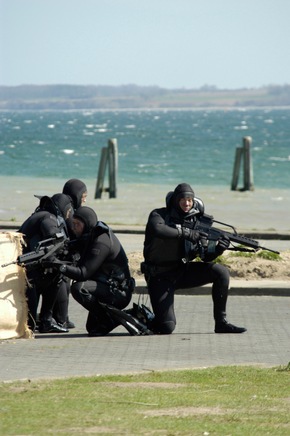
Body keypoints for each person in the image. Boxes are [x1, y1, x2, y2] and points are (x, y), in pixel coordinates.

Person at [142, 183, 247, 335]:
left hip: (181, 271)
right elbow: (159, 230)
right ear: (175, 200)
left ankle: (221, 323)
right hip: (159, 276)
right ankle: (140, 316)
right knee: (166, 327)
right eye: (183, 199)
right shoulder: (158, 215)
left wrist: (218, 249)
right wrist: (186, 233)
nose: (187, 203)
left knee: (221, 272)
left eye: (190, 200)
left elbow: (205, 256)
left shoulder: (196, 222)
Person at [44, 206, 135, 336]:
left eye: (77, 224)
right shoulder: (88, 236)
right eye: (73, 223)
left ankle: (110, 317)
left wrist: (59, 266)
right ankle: (120, 317)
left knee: (79, 288)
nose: (74, 227)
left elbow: (83, 273)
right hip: (105, 287)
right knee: (93, 329)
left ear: (86, 224)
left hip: (118, 292)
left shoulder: (101, 240)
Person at [19, 193, 74, 333]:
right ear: (63, 208)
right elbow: (52, 235)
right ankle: (45, 321)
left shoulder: (40, 214)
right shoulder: (48, 217)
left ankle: (44, 321)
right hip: (29, 271)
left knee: (53, 275)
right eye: (68, 211)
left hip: (28, 268)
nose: (69, 215)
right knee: (57, 275)